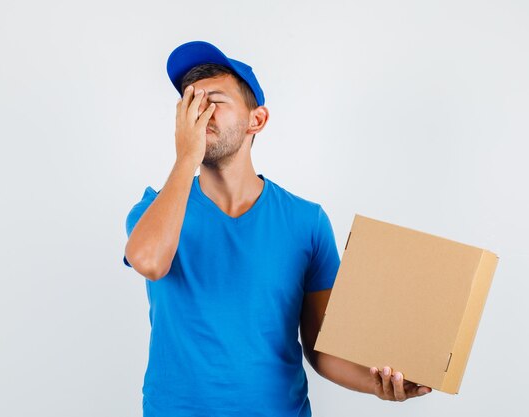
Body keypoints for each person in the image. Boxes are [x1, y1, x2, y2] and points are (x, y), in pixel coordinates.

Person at [123, 40, 431, 417]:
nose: (200, 114)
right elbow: (150, 261)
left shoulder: (306, 221)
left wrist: (380, 384)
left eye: (214, 100)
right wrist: (187, 156)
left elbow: (321, 348)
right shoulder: (153, 209)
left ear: (257, 120)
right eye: (191, 103)